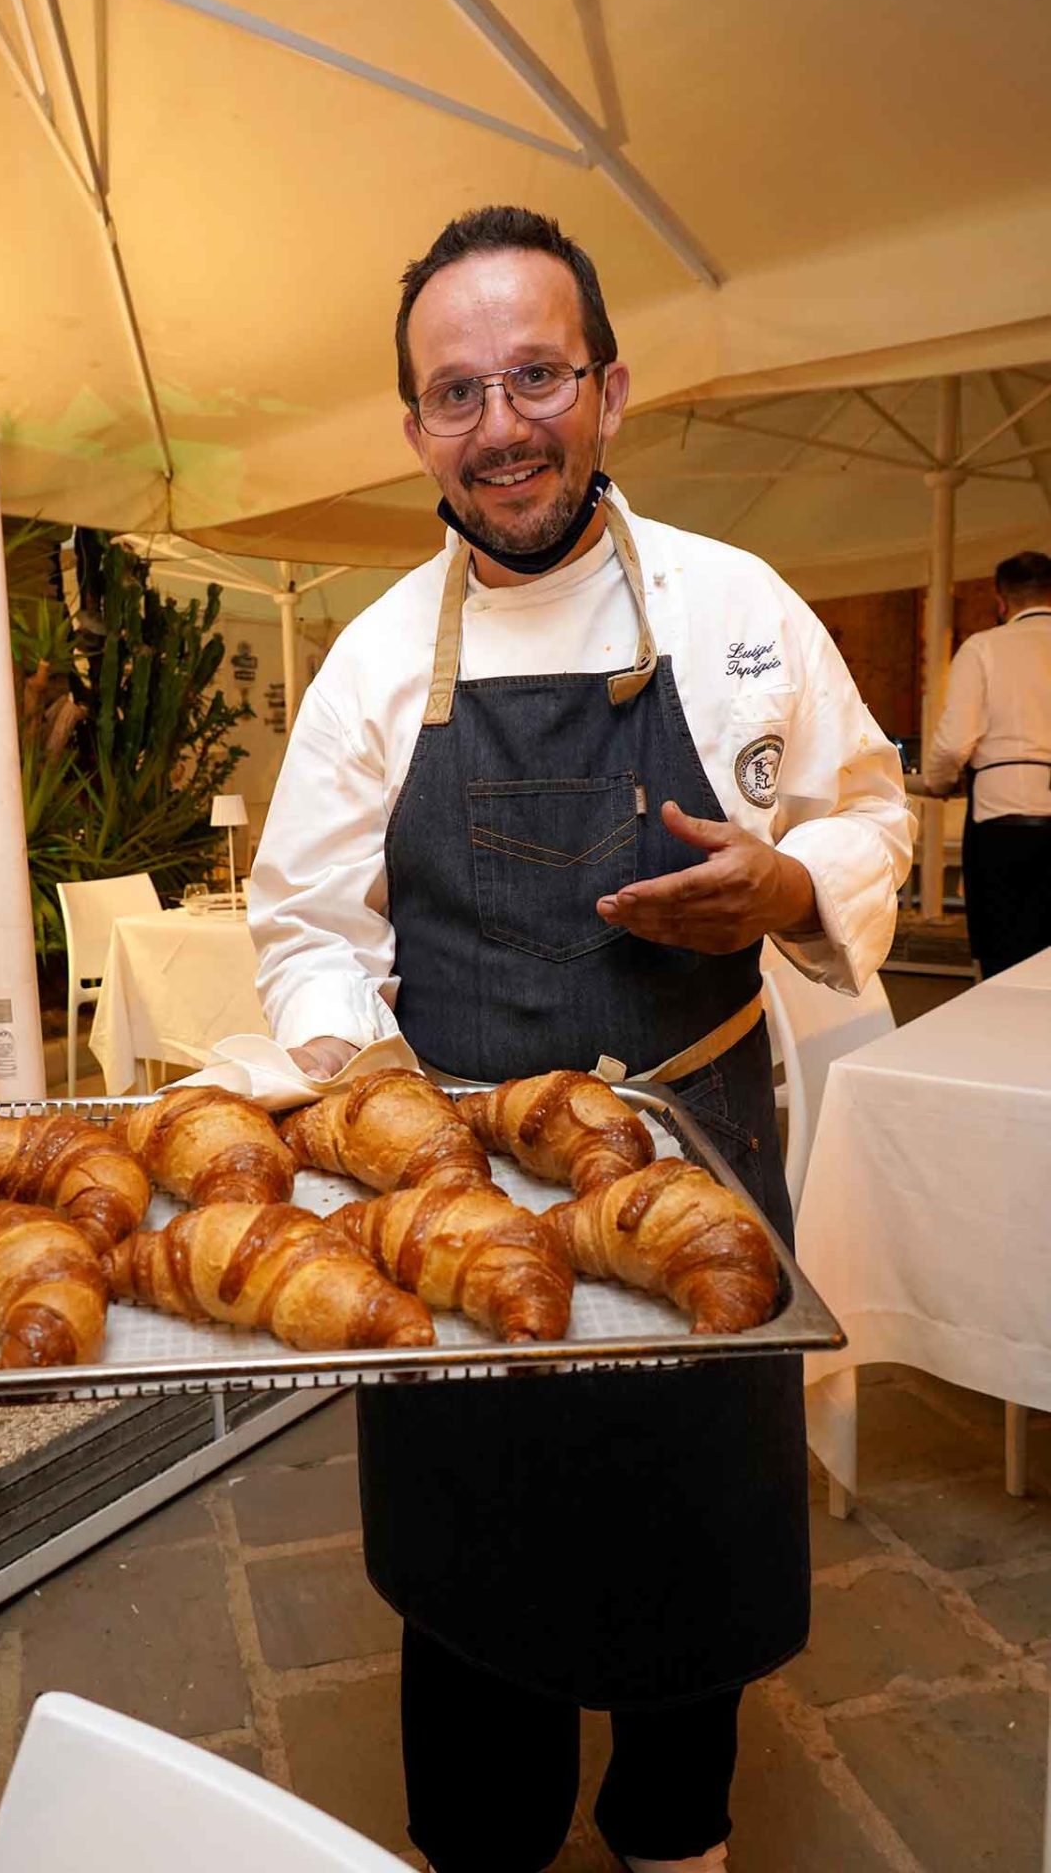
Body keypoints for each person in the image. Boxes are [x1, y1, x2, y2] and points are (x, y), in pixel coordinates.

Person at [248, 206, 912, 1873]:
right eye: (455, 393)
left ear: (609, 389)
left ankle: (676, 1834)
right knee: (481, 1572)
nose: (501, 428)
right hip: (461, 1182)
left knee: (688, 1552)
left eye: (535, 376)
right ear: (417, 428)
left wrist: (783, 886)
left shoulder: (741, 606)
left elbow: (872, 814)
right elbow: (306, 925)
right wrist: (368, 1079)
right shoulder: (378, 660)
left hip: (704, 1150)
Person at [921, 551, 1051, 978]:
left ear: (1001, 600)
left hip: (1003, 815)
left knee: (1004, 951)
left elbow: (955, 741)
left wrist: (939, 782)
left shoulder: (983, 648)